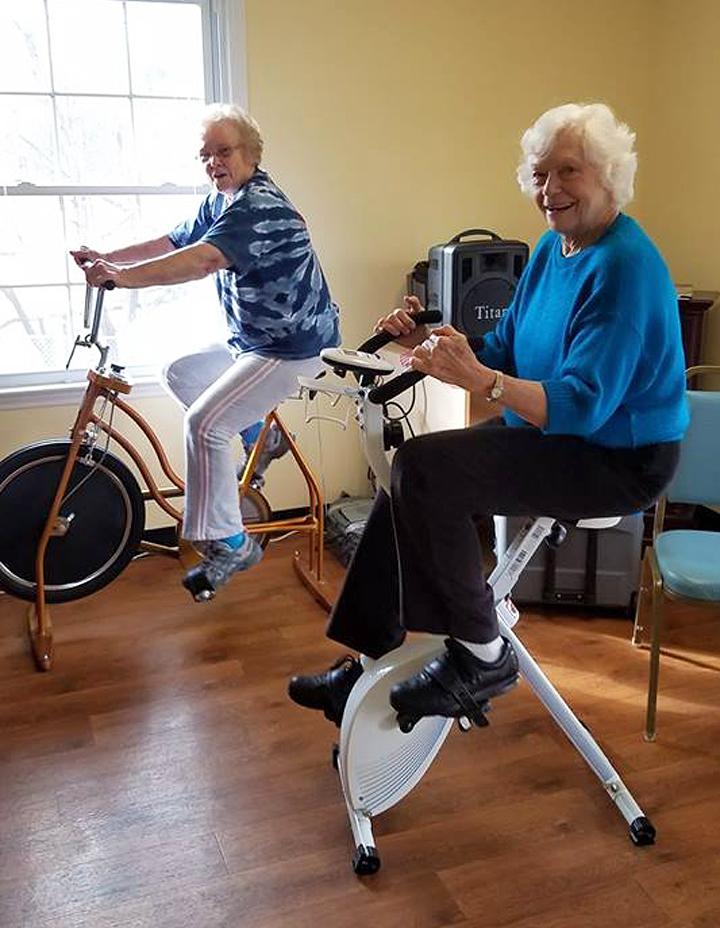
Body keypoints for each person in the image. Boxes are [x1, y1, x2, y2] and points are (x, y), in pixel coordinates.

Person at [288, 101, 688, 727]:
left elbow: (581, 404)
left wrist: (484, 382)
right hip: (556, 434)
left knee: (427, 469)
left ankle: (482, 654)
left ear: (609, 177)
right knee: (409, 473)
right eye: (539, 174)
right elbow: (502, 349)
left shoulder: (624, 267)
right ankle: (367, 662)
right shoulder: (556, 251)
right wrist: (424, 344)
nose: (550, 190)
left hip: (619, 458)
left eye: (568, 172)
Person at [72, 103, 340, 598]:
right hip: (255, 342)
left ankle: (232, 541)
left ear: (251, 154)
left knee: (205, 423)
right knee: (178, 371)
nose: (213, 162)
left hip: (295, 347)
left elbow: (201, 261)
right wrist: (109, 259)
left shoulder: (258, 206)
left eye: (223, 151)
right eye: (205, 155)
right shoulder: (221, 202)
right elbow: (174, 240)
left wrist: (121, 279)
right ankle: (264, 434)